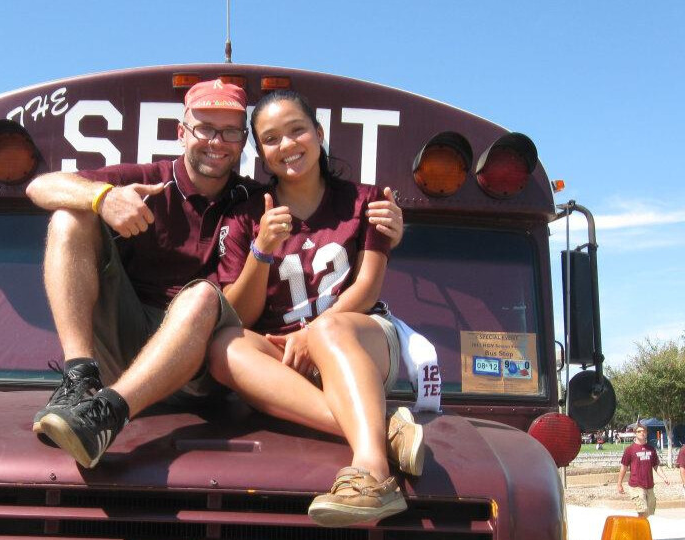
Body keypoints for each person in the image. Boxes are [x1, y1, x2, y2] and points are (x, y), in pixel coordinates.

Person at [24, 79, 406, 469]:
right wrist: (101, 198)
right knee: (69, 217)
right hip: (128, 341)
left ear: (244, 144)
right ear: (181, 133)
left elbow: (259, 301)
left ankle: (108, 414)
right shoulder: (150, 181)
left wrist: (388, 232)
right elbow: (40, 186)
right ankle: (79, 381)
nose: (217, 142)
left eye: (230, 132)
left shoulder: (254, 202)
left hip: (199, 358)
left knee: (204, 296)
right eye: (205, 128)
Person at [208, 89, 421, 527]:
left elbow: (366, 288)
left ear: (319, 133)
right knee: (223, 345)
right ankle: (382, 427)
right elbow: (240, 315)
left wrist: (312, 332)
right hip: (290, 359)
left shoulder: (366, 200)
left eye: (297, 130)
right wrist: (262, 250)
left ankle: (373, 474)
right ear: (260, 153)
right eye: (271, 139)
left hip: (360, 341)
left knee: (330, 330)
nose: (286, 145)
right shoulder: (246, 215)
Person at [617, 424, 670, 517]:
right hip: (636, 486)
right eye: (639, 431)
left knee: (650, 514)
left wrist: (664, 477)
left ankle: (641, 526)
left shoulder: (651, 449)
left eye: (644, 431)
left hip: (649, 486)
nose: (642, 433)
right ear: (635, 433)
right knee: (642, 511)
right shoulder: (630, 450)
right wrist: (619, 484)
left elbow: (656, 466)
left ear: (646, 433)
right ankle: (640, 526)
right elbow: (624, 467)